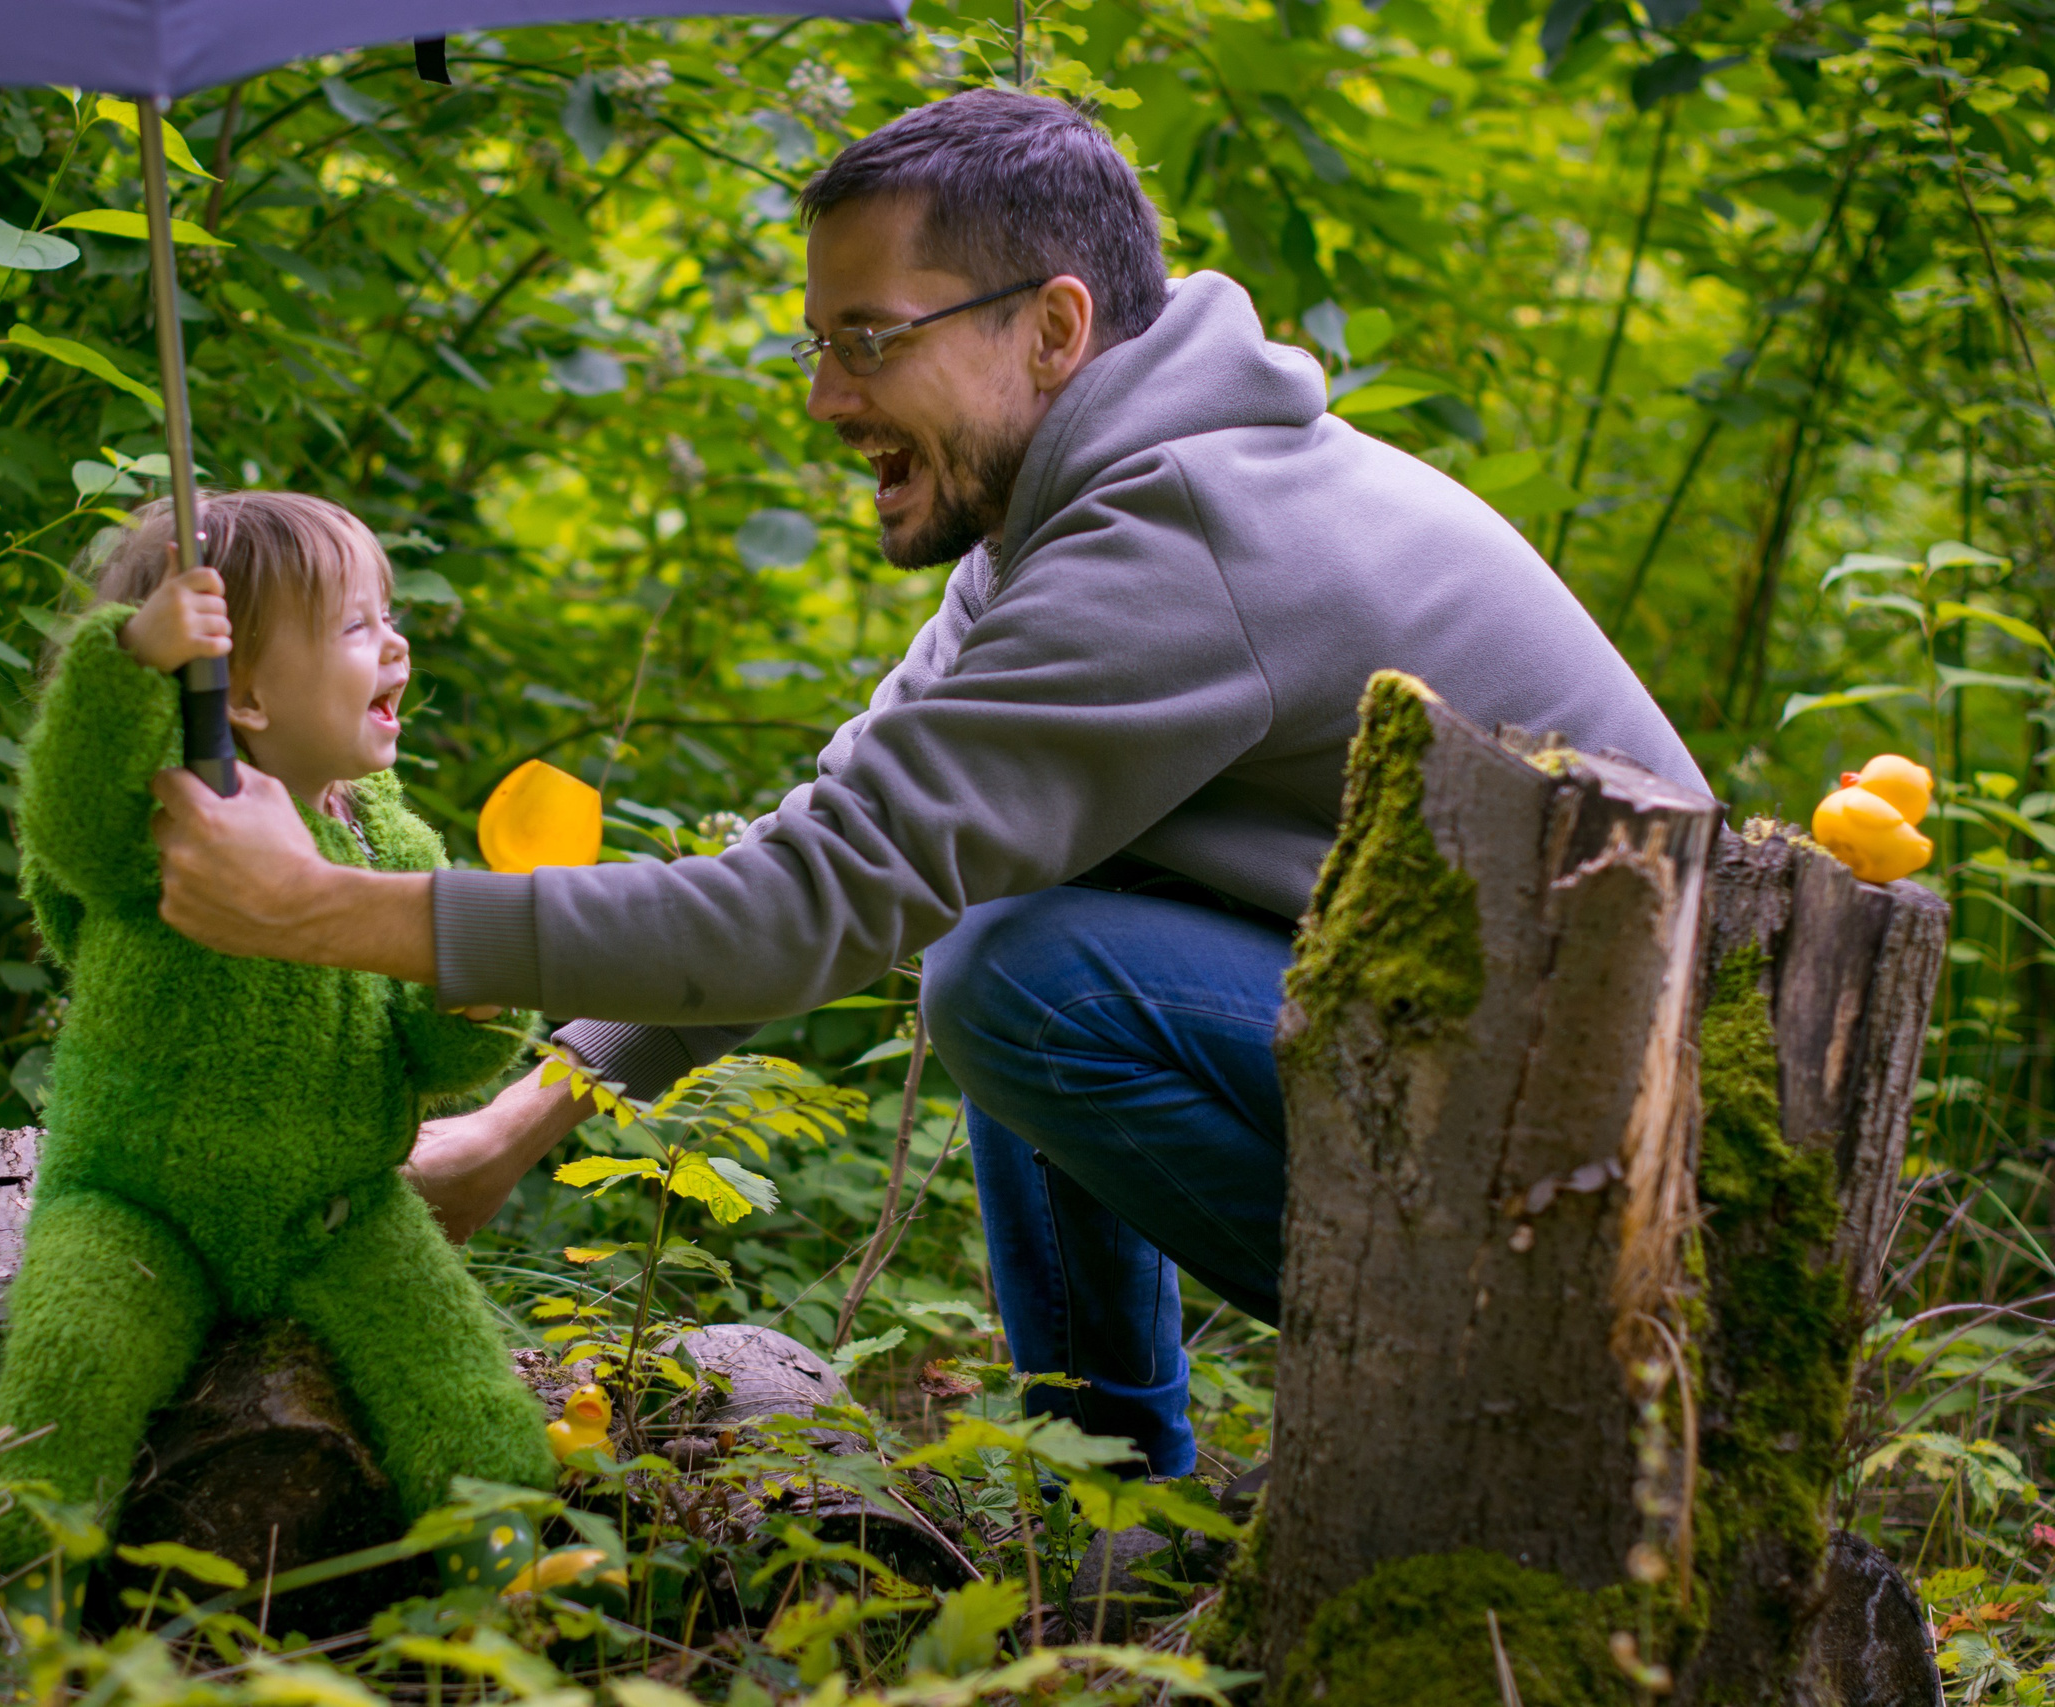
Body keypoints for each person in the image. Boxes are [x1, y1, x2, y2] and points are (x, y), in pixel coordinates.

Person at [145, 92, 1709, 1481]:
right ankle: (1114, 1485)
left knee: (1015, 971)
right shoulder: (1059, 524)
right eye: (819, 343)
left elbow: (807, 909)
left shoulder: (1183, 540)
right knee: (1005, 906)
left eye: (871, 339)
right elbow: (831, 846)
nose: (828, 398)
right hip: (1507, 1073)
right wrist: (515, 1119)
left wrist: (322, 908)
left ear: (1053, 328)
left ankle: (1507, 1370)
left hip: (1633, 1157)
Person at [0, 492, 550, 1607]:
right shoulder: (171, 820)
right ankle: (28, 1581)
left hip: (334, 1211)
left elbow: (425, 1058)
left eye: (390, 616)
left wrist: (471, 1006)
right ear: (239, 692)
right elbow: (68, 817)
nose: (397, 645)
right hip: (137, 1205)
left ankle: (505, 1579)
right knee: (72, 1360)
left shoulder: (389, 837)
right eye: (357, 625)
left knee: (458, 1377)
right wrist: (129, 659)